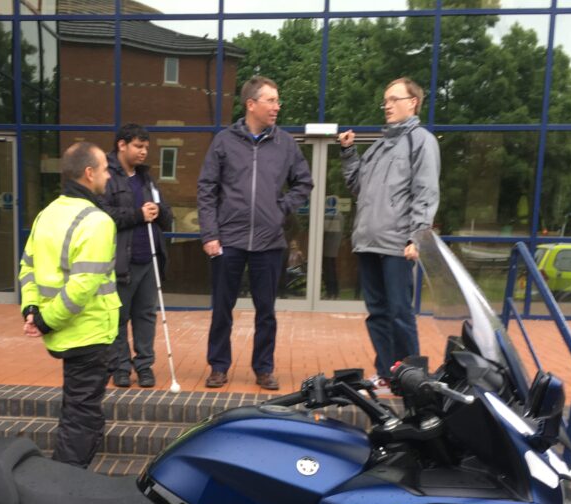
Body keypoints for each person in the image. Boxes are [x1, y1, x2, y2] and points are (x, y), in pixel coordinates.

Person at [197, 75, 313, 390]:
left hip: (269, 242)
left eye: (277, 100)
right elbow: (206, 189)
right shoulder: (224, 141)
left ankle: (264, 368)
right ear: (251, 104)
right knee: (222, 308)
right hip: (228, 241)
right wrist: (210, 234)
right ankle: (218, 366)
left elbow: (304, 182)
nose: (278, 106)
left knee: (266, 311)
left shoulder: (285, 144)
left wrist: (282, 208)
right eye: (271, 100)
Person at [19, 142, 120, 468]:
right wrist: (46, 319)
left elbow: (27, 268)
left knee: (76, 408)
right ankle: (62, 485)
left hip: (63, 333)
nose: (108, 175)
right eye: (105, 168)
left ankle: (63, 477)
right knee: (82, 418)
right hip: (88, 334)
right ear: (89, 173)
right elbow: (82, 286)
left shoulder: (46, 214)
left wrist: (31, 311)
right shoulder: (98, 221)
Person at [339, 76, 440, 391]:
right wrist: (348, 152)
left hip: (398, 244)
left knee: (399, 313)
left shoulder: (422, 141)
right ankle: (386, 373)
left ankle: (412, 378)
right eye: (385, 100)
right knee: (378, 313)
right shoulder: (380, 146)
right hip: (368, 242)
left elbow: (426, 192)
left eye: (394, 99)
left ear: (412, 102)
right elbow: (356, 185)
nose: (387, 105)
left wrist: (417, 237)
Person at [99, 123, 174, 389]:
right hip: (122, 260)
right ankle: (119, 367)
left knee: (145, 316)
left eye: (146, 148)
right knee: (118, 317)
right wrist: (137, 215)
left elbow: (167, 217)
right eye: (138, 146)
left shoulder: (147, 179)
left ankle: (144, 366)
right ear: (122, 144)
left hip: (149, 260)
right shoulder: (106, 176)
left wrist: (159, 210)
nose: (144, 152)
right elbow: (102, 215)